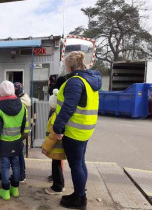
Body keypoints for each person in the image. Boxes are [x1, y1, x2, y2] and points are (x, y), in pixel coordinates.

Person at [53, 51, 101, 209]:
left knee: (76, 165)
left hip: (75, 131)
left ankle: (80, 199)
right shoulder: (90, 80)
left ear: (69, 66)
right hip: (85, 129)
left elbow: (68, 108)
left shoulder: (75, 81)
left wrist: (58, 126)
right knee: (80, 162)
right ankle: (80, 194)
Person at [0, 81, 26, 201]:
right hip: (16, 141)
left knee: (4, 166)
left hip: (4, 143)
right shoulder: (22, 106)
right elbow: (23, 126)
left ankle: (5, 191)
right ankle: (15, 189)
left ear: (1, 92)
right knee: (16, 165)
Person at [42, 90, 66, 195]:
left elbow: (53, 135)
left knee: (56, 167)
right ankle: (61, 185)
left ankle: (57, 187)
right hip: (59, 146)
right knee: (58, 166)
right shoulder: (60, 114)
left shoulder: (55, 116)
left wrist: (45, 147)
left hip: (56, 147)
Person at [13, 82, 30, 182]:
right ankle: (21, 173)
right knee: (19, 154)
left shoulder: (19, 103)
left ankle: (21, 174)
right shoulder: (24, 100)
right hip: (24, 132)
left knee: (18, 155)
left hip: (19, 132)